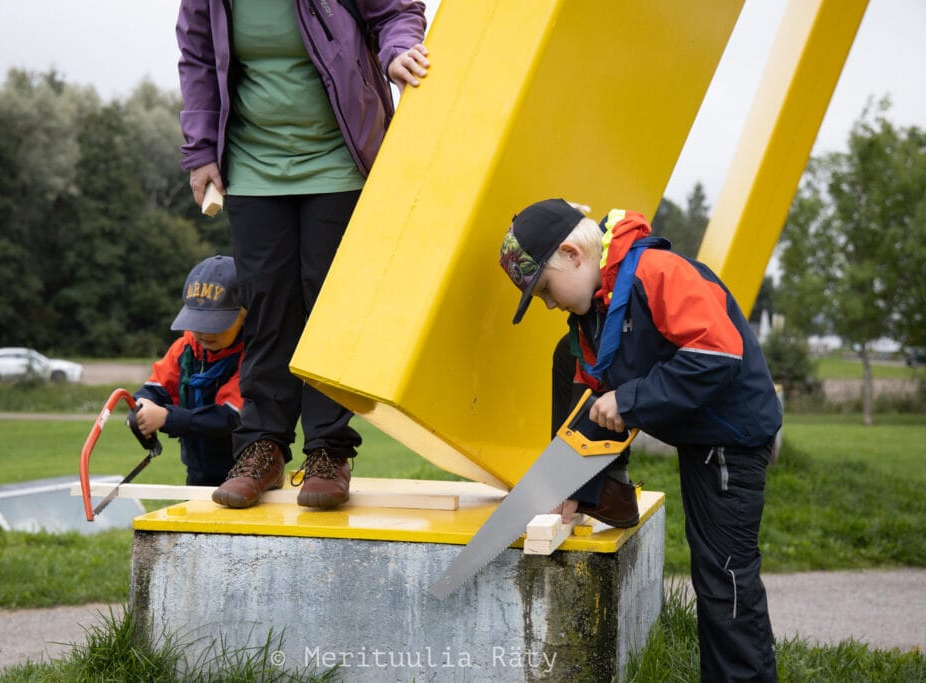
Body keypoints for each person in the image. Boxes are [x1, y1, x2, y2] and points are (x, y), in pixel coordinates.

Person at [499, 198, 782, 681]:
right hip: (700, 436)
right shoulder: (593, 316)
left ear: (572, 254)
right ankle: (606, 492)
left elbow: (718, 356)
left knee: (725, 577)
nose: (548, 302)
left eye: (544, 288)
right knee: (713, 573)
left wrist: (629, 400)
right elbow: (589, 396)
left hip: (733, 437)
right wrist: (569, 489)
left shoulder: (659, 272)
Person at [176, 0, 429, 510]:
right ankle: (262, 448)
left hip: (340, 157)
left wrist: (398, 51)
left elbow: (395, 12)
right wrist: (200, 150)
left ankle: (327, 454)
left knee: (330, 308)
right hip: (253, 164)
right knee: (266, 304)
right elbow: (198, 60)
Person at [132, 255, 246, 486]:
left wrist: (166, 417)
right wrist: (141, 408)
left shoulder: (253, 358)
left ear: (243, 315)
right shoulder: (185, 349)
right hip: (197, 474)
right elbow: (155, 389)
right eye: (198, 321)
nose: (205, 333)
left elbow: (227, 417)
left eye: (215, 322)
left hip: (245, 478)